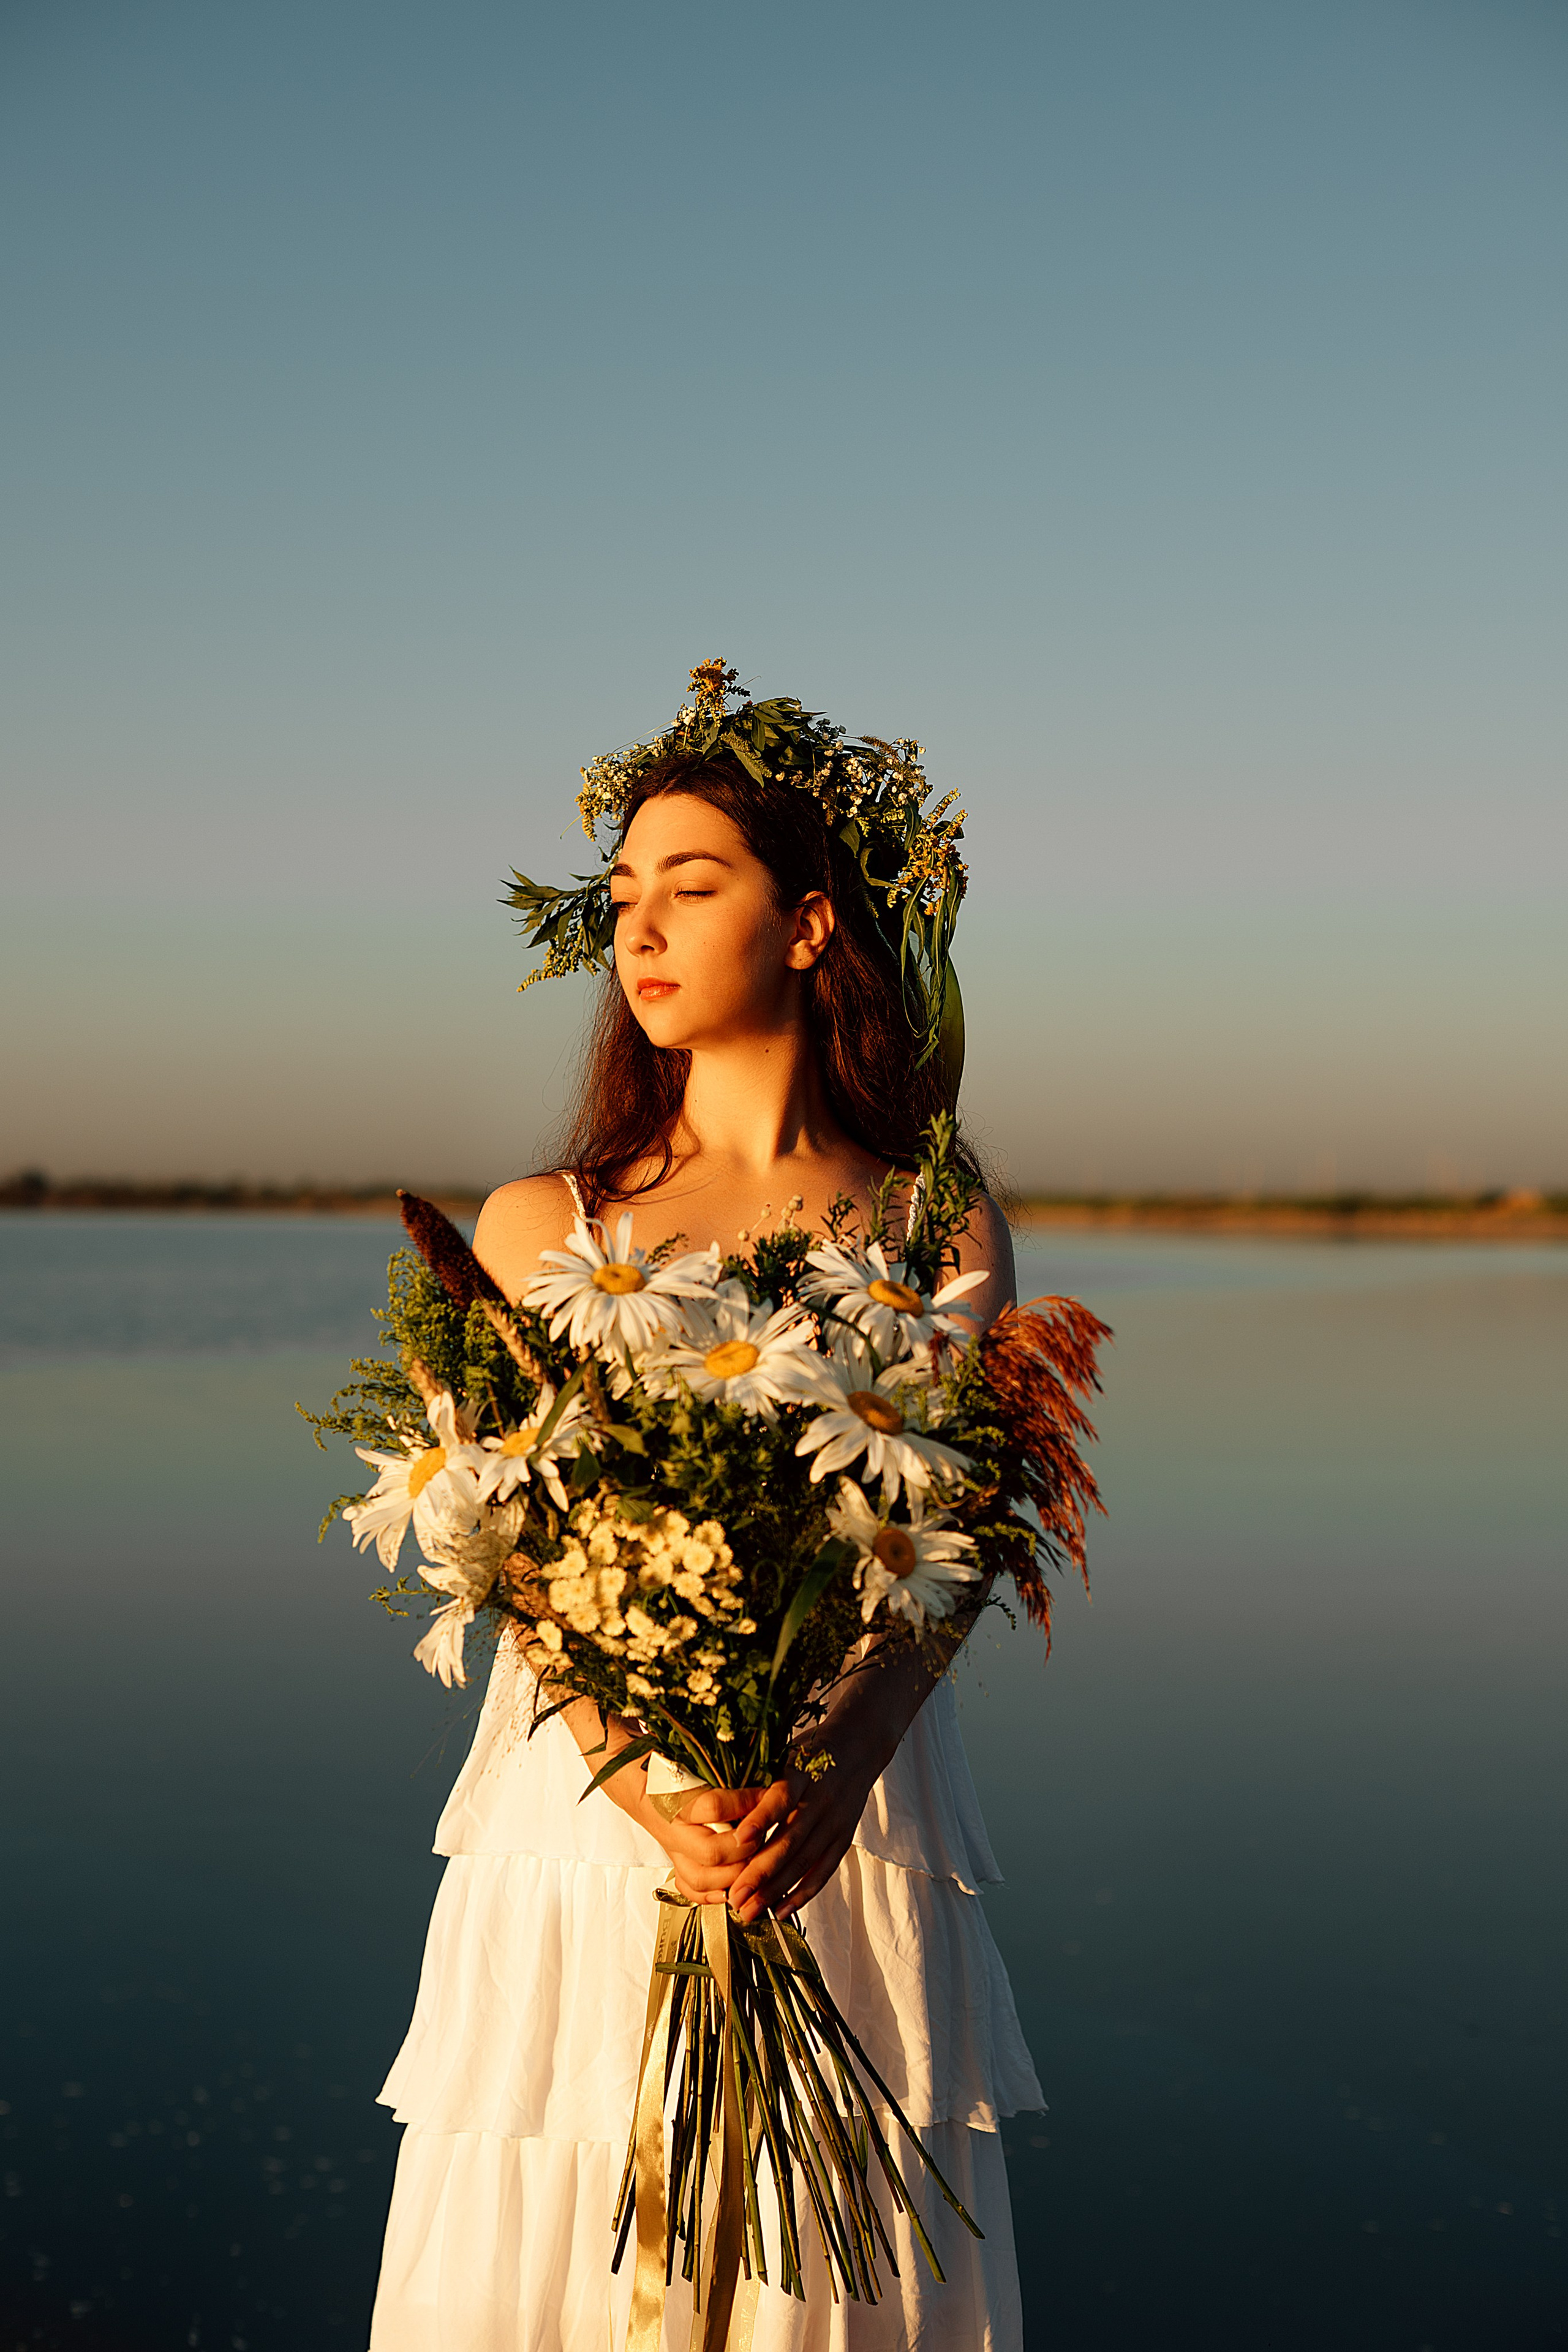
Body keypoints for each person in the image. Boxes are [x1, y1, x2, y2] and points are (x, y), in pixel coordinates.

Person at [368, 680, 1043, 2350]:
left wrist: (844, 1761)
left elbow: (953, 1545)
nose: (641, 929)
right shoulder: (545, 1222)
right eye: (623, 895)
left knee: (822, 2263)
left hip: (837, 1816)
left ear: (809, 924)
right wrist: (642, 1781)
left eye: (692, 884)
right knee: (573, 2218)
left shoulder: (935, 1224)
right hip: (595, 1815)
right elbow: (513, 1553)